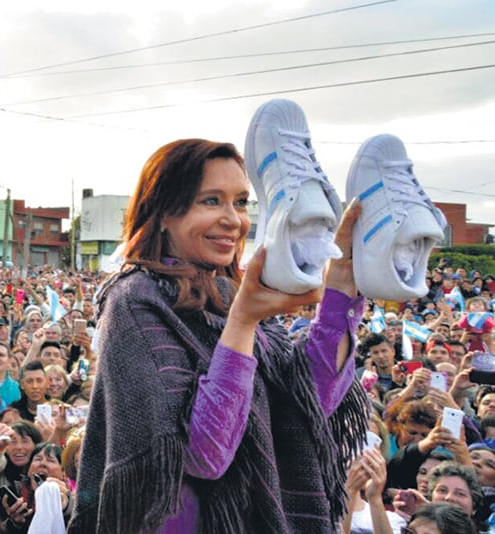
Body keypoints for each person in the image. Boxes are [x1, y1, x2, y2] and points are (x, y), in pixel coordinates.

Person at [67, 138, 369, 533]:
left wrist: (341, 288)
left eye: (241, 202)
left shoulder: (228, 293)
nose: (234, 219)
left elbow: (308, 401)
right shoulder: (135, 299)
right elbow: (205, 454)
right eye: (211, 201)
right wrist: (241, 323)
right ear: (163, 213)